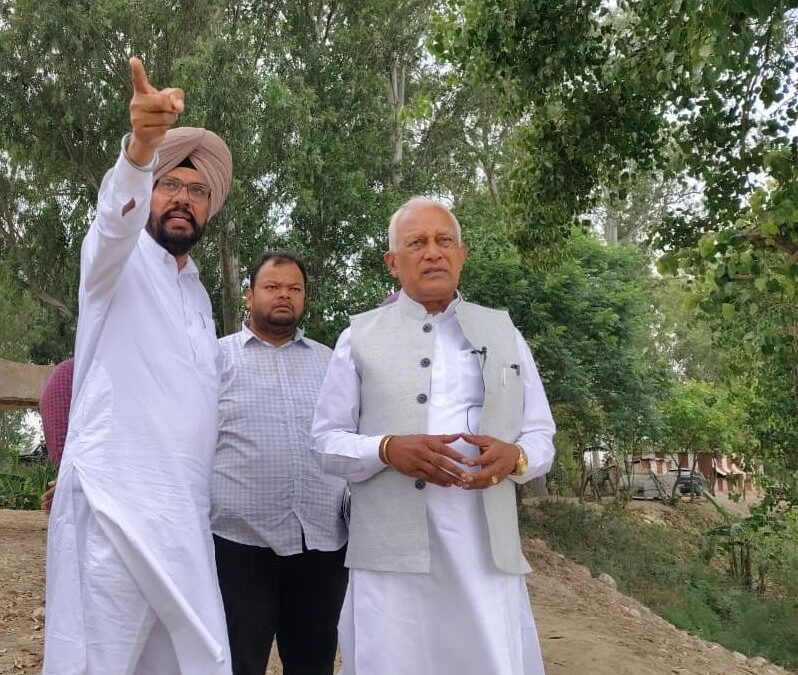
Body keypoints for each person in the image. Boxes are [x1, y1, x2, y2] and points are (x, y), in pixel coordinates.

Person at [44, 57, 233, 675]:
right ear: (148, 191)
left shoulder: (198, 295)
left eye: (197, 191)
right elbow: (111, 222)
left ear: (210, 207)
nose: (183, 199)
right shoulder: (114, 263)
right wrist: (141, 150)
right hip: (113, 510)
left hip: (182, 518)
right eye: (169, 184)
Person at [312, 196, 556, 675]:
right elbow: (325, 441)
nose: (433, 252)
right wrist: (386, 449)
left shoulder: (504, 332)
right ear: (392, 262)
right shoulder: (358, 337)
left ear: (461, 254)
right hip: (390, 557)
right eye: (417, 243)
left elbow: (540, 431)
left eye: (444, 241)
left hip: (483, 552)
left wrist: (518, 458)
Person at [211, 250, 348, 675]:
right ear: (249, 295)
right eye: (272, 286)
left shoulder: (331, 362)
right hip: (237, 545)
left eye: (294, 288)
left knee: (314, 664)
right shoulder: (214, 359)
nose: (284, 295)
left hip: (321, 545)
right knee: (236, 663)